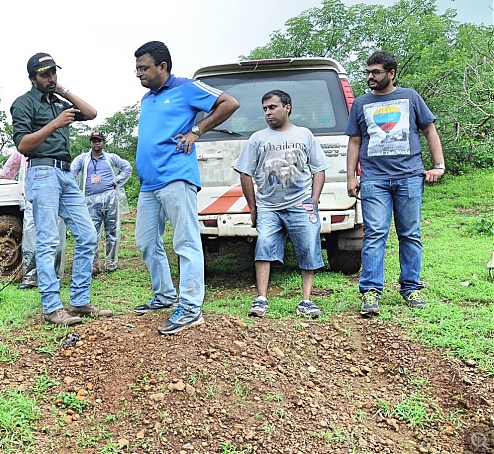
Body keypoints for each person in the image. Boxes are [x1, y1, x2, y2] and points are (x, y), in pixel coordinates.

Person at [133, 41, 240, 335]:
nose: (139, 74)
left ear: (162, 66)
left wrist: (197, 130)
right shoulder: (147, 99)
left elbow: (229, 103)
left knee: (186, 242)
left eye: (144, 68)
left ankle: (191, 308)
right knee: (145, 241)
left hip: (177, 177)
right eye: (137, 68)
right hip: (149, 184)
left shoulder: (187, 87)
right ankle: (165, 295)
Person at [10, 52, 112, 326]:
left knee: (88, 235)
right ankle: (52, 308)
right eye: (45, 74)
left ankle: (79, 301)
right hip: (42, 171)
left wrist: (64, 91)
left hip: (66, 174)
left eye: (54, 72)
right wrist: (55, 123)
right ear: (32, 78)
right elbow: (23, 145)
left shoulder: (58, 102)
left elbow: (91, 113)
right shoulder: (23, 104)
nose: (51, 77)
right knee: (47, 241)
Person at [346, 50, 445, 316]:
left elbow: (429, 130)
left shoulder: (410, 97)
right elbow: (354, 140)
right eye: (368, 72)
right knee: (375, 234)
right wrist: (350, 176)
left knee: (410, 233)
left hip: (409, 176)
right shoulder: (361, 103)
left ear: (391, 73)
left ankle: (411, 287)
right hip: (373, 179)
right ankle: (370, 292)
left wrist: (438, 166)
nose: (370, 77)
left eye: (376, 72)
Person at [233, 90, 330, 319]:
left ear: (287, 107)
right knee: (264, 246)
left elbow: (319, 169)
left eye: (273, 107)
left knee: (308, 248)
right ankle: (261, 299)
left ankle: (306, 300)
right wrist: (254, 207)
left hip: (300, 204)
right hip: (268, 205)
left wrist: (313, 200)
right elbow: (245, 173)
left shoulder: (304, 135)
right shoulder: (258, 139)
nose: (268, 112)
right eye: (265, 108)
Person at [0, 151, 66, 287]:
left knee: (56, 238)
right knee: (30, 239)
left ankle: (55, 278)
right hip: (31, 198)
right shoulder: (22, 150)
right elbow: (6, 173)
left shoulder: (55, 147)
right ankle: (31, 279)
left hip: (56, 197)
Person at [70, 131, 133, 274]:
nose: (96, 143)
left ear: (103, 142)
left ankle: (111, 262)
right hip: (91, 199)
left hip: (110, 196)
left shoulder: (111, 158)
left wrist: (117, 181)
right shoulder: (82, 159)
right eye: (93, 140)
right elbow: (71, 173)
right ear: (90, 143)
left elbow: (127, 167)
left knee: (112, 230)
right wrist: (74, 191)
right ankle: (93, 264)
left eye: (99, 140)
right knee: (92, 231)